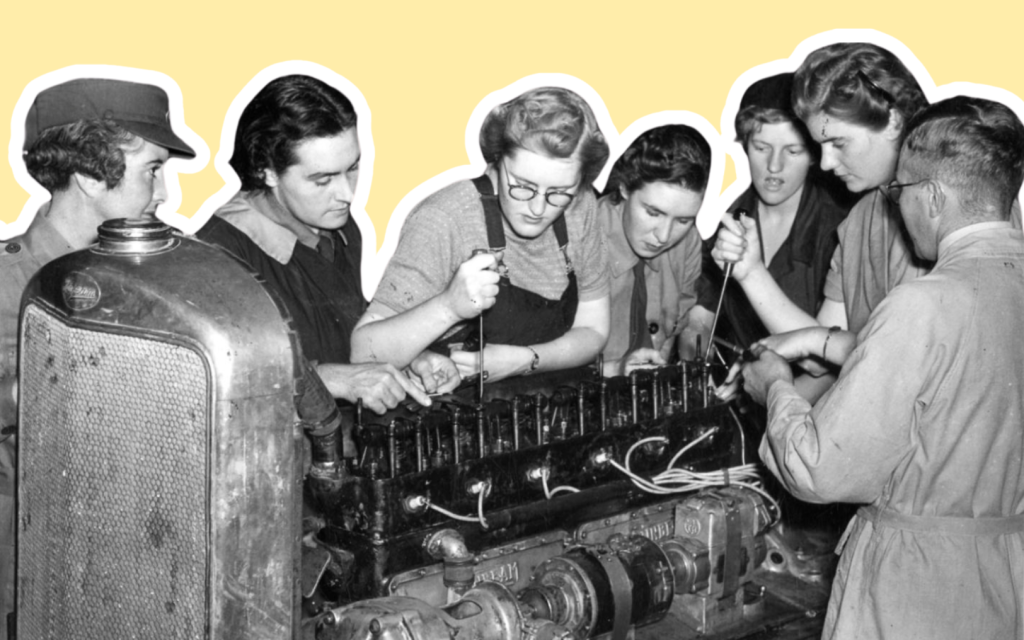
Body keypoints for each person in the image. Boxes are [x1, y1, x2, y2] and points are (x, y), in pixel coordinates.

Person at [739, 95, 1024, 640]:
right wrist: (827, 340)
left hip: (918, 583)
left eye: (900, 192)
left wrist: (776, 388)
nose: (896, 206)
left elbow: (820, 470)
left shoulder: (924, 301)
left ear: (934, 196)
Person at [0, 76, 198, 639]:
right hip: (39, 580)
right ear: (89, 174)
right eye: (152, 171)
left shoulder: (167, 277)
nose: (165, 195)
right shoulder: (8, 284)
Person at [195, 75, 453, 414]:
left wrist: (407, 355)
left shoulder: (341, 229)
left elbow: (348, 330)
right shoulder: (215, 255)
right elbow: (218, 382)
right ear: (266, 171)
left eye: (353, 168)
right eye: (323, 179)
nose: (347, 194)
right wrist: (332, 380)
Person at [351, 86, 610, 383]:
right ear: (499, 158)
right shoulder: (446, 219)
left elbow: (594, 329)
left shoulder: (581, 205)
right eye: (522, 185)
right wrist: (448, 307)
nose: (538, 208)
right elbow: (362, 351)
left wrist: (526, 360)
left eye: (559, 192)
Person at [712, 43, 932, 377]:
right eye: (820, 146)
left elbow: (908, 364)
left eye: (838, 143)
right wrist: (750, 271)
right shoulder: (861, 219)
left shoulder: (948, 199)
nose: (826, 163)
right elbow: (819, 360)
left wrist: (809, 349)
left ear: (892, 122)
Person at [697, 73, 847, 357]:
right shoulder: (732, 218)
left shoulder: (841, 230)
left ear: (816, 153)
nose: (774, 166)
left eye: (793, 151)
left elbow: (829, 365)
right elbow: (703, 310)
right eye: (761, 148)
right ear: (744, 145)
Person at [597, 124, 711, 377]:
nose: (664, 237)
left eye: (683, 220)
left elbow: (672, 332)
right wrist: (615, 371)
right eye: (653, 212)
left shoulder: (688, 241)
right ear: (625, 188)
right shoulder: (581, 237)